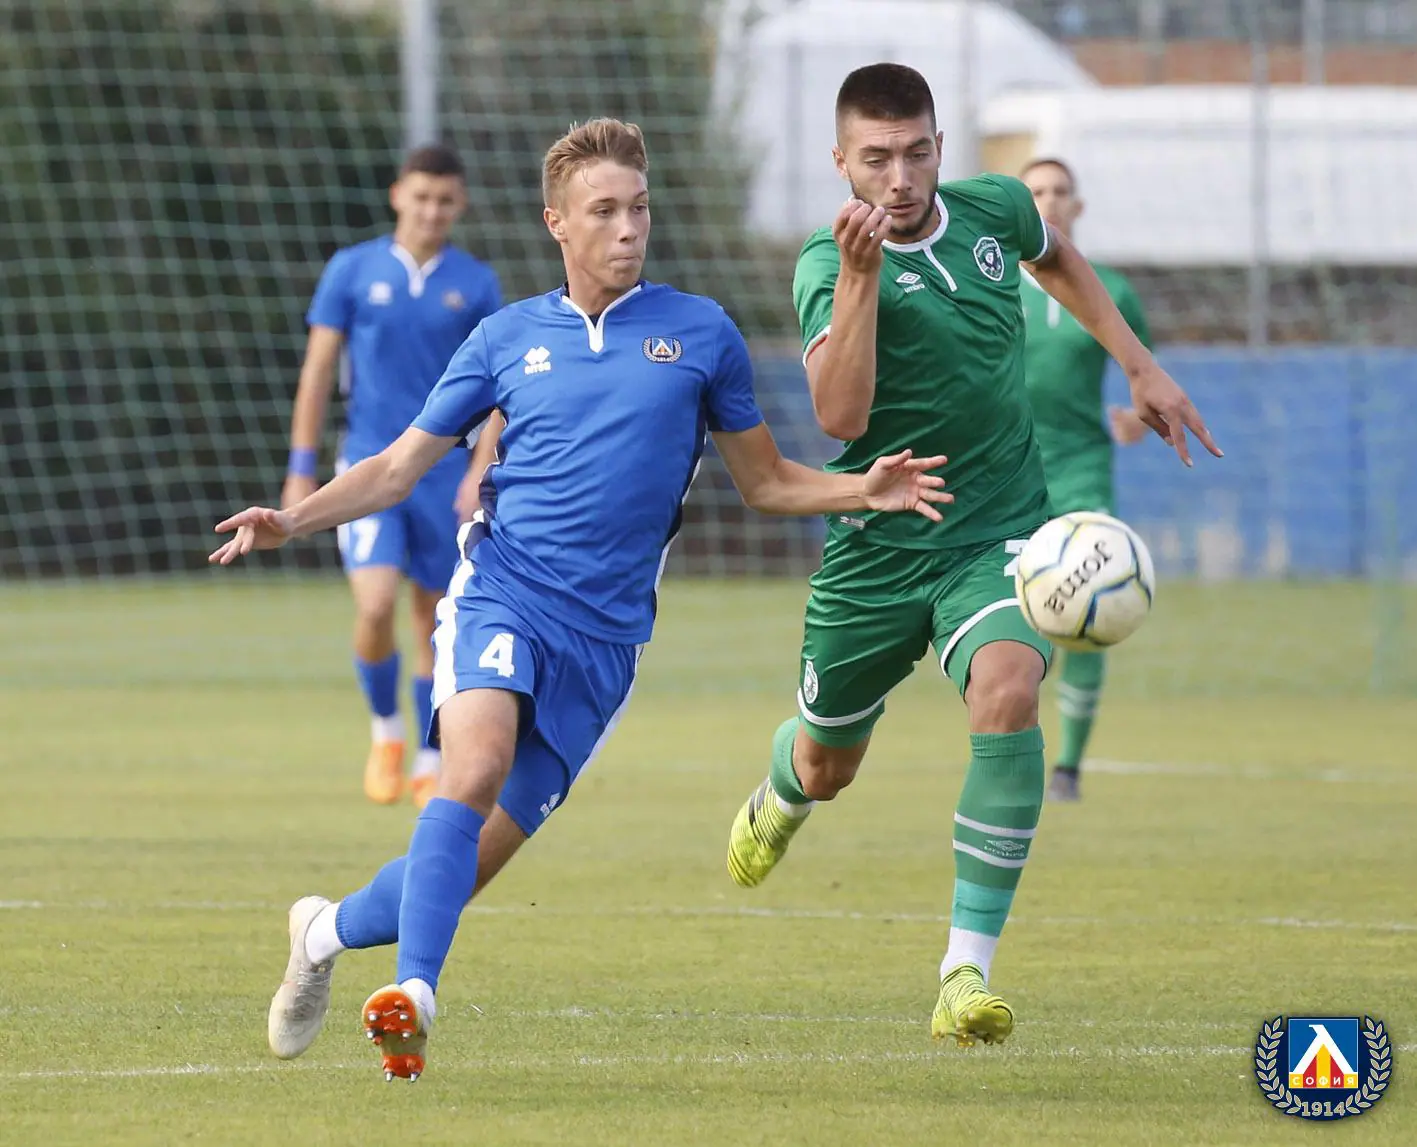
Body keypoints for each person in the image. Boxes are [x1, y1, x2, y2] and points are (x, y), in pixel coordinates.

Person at [211, 117, 952, 1082]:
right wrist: (293, 517)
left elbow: (766, 482)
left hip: (604, 646)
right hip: (502, 592)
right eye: (603, 211)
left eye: (638, 208)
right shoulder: (505, 338)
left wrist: (862, 488)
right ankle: (414, 995)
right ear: (556, 222)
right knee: (472, 768)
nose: (627, 228)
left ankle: (321, 931)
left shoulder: (701, 333)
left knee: (461, 866)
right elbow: (396, 468)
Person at [722, 64, 1220, 1048]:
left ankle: (964, 971)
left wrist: (1138, 364)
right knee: (828, 763)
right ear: (840, 162)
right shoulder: (826, 262)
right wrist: (860, 281)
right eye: (876, 158)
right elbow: (839, 417)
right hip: (873, 549)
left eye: (916, 153)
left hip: (997, 530)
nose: (899, 177)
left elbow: (1059, 260)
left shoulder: (994, 208)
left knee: (1006, 688)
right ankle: (784, 787)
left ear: (940, 148)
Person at [285, 143, 502, 809]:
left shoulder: (475, 283)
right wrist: (300, 470)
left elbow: (497, 391)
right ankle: (386, 732)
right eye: (421, 196)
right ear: (397, 195)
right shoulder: (352, 270)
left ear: (459, 205)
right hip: (369, 466)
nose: (431, 210)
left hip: (442, 473)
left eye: (445, 200)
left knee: (434, 618)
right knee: (375, 604)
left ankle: (430, 759)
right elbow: (318, 371)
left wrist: (478, 470)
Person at [1019, 157, 1153, 803]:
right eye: (1035, 191)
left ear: (1077, 206)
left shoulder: (1112, 291)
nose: (1048, 201)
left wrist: (1136, 417)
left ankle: (1068, 768)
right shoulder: (987, 285)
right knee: (1012, 623)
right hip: (1007, 473)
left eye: (1059, 191)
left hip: (1081, 468)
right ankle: (1011, 753)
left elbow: (1143, 375)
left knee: (1092, 608)